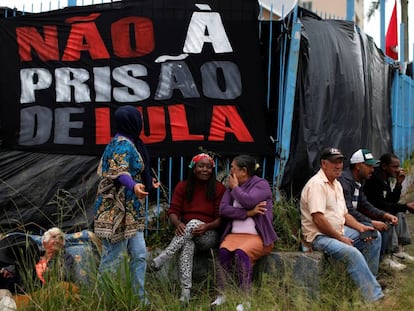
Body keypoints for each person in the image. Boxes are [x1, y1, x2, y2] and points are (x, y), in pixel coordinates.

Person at [300, 147, 384, 302]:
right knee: (351, 253)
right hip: (319, 237)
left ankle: (367, 285)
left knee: (374, 236)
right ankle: (374, 298)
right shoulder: (317, 184)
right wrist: (340, 237)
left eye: (340, 162)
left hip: (339, 231)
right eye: (334, 162)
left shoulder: (336, 184)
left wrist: (360, 227)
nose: (338, 166)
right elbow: (318, 219)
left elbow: (345, 214)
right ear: (323, 164)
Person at [94, 105, 159, 304]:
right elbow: (120, 172)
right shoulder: (122, 144)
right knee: (112, 258)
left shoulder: (130, 142)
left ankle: (140, 300)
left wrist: (148, 184)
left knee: (139, 254)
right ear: (132, 122)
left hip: (131, 211)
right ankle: (101, 301)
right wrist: (133, 185)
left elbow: (131, 170)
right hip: (116, 210)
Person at [148, 153, 226, 303]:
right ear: (193, 168)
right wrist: (178, 223)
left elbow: (220, 219)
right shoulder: (183, 186)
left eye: (208, 167)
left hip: (209, 235)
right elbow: (173, 211)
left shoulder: (218, 188)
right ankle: (186, 293)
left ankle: (163, 257)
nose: (205, 170)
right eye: (201, 166)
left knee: (193, 223)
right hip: (188, 235)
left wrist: (206, 226)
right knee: (187, 246)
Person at [211, 155, 278, 310]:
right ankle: (222, 295)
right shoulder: (231, 187)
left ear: (244, 171)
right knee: (223, 252)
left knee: (242, 254)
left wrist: (235, 189)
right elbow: (223, 209)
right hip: (234, 236)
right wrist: (247, 213)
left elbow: (248, 201)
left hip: (257, 237)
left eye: (233, 168)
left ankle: (246, 300)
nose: (230, 171)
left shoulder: (261, 185)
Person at [337, 149, 400, 271]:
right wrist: (371, 222)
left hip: (351, 220)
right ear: (358, 166)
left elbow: (365, 204)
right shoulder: (345, 181)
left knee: (385, 224)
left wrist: (384, 215)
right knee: (374, 234)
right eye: (369, 166)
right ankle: (370, 277)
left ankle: (380, 264)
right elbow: (348, 211)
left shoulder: (358, 182)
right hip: (342, 222)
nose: (372, 169)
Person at [364, 153, 414, 266]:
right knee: (390, 217)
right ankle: (387, 257)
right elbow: (382, 205)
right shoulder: (375, 179)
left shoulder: (386, 178)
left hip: (379, 209)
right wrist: (406, 206)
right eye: (394, 166)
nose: (398, 170)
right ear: (384, 166)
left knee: (399, 213)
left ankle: (399, 250)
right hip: (370, 212)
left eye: (398, 166)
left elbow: (392, 201)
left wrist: (398, 184)